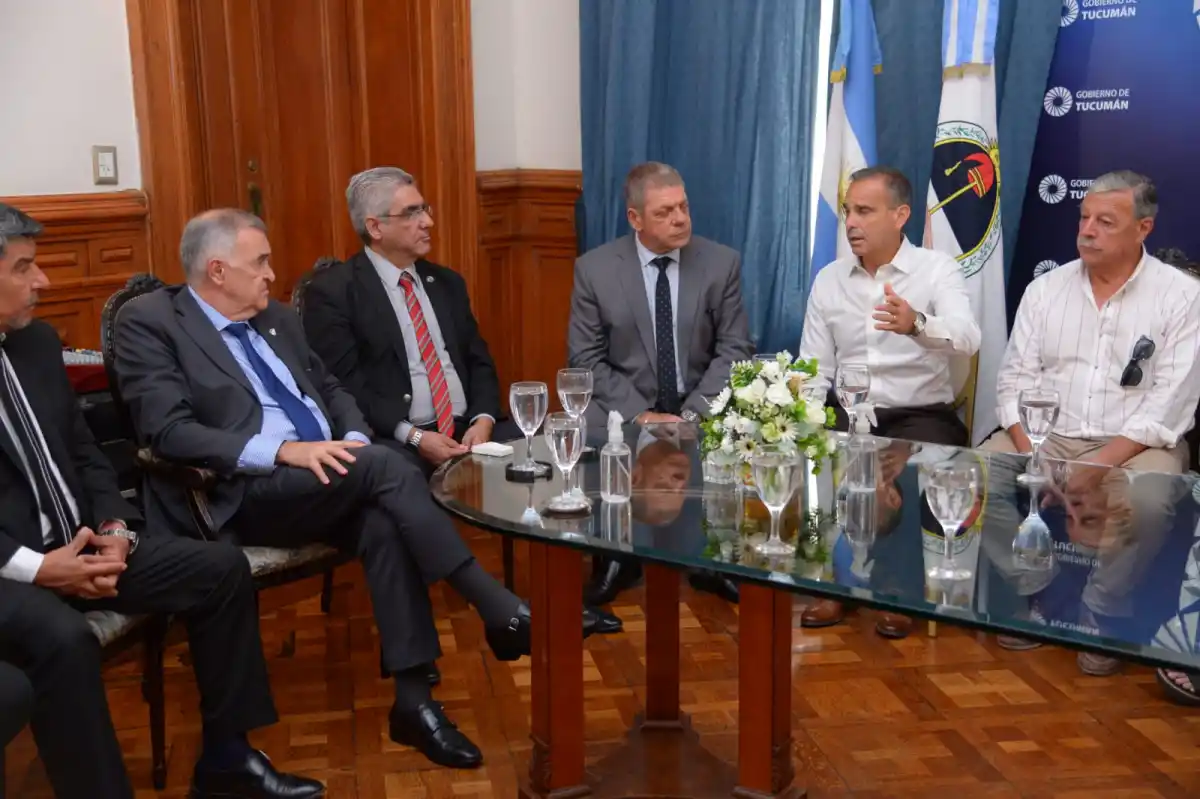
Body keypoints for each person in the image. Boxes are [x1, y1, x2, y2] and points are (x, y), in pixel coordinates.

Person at [112, 209, 595, 771]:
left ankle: (415, 702)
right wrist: (286, 451)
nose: (272, 275)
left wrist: (354, 438)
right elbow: (168, 431)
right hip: (243, 489)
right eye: (260, 262)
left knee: (384, 518)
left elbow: (332, 387)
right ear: (217, 271)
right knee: (389, 470)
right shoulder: (153, 321)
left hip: (326, 477)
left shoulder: (273, 319)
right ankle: (499, 610)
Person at [0, 204, 323, 799]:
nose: (42, 281)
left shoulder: (38, 344)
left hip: (88, 544)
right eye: (24, 268)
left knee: (220, 570)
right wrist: (42, 568)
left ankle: (228, 759)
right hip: (13, 569)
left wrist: (116, 527)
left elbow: (88, 452)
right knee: (63, 643)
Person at [983, 170, 1200, 670]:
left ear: (1143, 229)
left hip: (1138, 443)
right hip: (1046, 436)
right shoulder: (1045, 290)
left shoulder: (1181, 296)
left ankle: (1101, 611)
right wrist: (1031, 452)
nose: (1088, 231)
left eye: (1106, 221)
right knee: (964, 471)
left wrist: (1099, 466)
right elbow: (1013, 381)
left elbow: (1170, 403)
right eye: (1084, 218)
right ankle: (1036, 587)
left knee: (1148, 497)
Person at [798, 166, 981, 638]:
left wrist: (917, 324)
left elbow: (967, 337)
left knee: (907, 473)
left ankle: (898, 590)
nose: (852, 223)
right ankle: (827, 582)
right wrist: (810, 429)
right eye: (847, 211)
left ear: (900, 215)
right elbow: (814, 369)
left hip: (918, 416)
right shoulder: (830, 279)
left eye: (864, 211)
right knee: (812, 460)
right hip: (848, 411)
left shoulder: (936, 270)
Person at [568, 162, 753, 603]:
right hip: (626, 403)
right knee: (590, 428)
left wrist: (691, 414)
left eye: (684, 207)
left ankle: (714, 557)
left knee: (740, 427)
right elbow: (586, 359)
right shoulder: (595, 270)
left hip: (698, 399)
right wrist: (642, 414)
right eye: (665, 212)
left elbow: (734, 349)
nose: (680, 219)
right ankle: (614, 554)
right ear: (635, 219)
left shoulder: (719, 263)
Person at [302, 167, 520, 477]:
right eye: (411, 213)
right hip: (398, 438)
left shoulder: (446, 283)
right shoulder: (335, 293)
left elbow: (479, 360)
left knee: (539, 458)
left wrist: (483, 418)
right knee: (399, 477)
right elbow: (346, 388)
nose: (428, 222)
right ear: (375, 228)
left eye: (424, 209)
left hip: (471, 429)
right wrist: (415, 436)